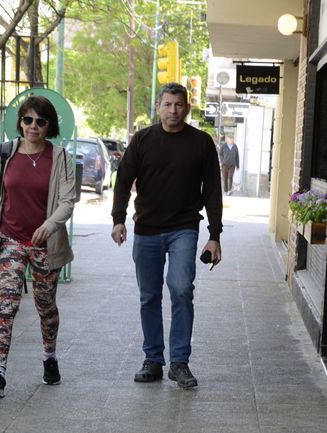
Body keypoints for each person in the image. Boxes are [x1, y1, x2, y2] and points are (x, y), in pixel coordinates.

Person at [111, 82, 223, 389]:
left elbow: (213, 190)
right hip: (146, 229)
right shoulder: (143, 140)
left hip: (184, 229)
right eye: (168, 104)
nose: (173, 110)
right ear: (159, 107)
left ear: (187, 107)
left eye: (179, 104)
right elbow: (122, 182)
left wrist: (214, 235)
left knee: (181, 288)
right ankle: (153, 360)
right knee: (149, 296)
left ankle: (180, 362)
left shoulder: (201, 142)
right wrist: (118, 220)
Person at [0, 95, 76, 398]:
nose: (33, 126)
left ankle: (49, 357)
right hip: (9, 240)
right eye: (28, 120)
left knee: (45, 306)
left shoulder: (60, 158)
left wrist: (49, 225)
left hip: (45, 245)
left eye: (41, 121)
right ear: (20, 123)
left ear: (49, 126)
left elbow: (67, 200)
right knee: (7, 302)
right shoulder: (6, 153)